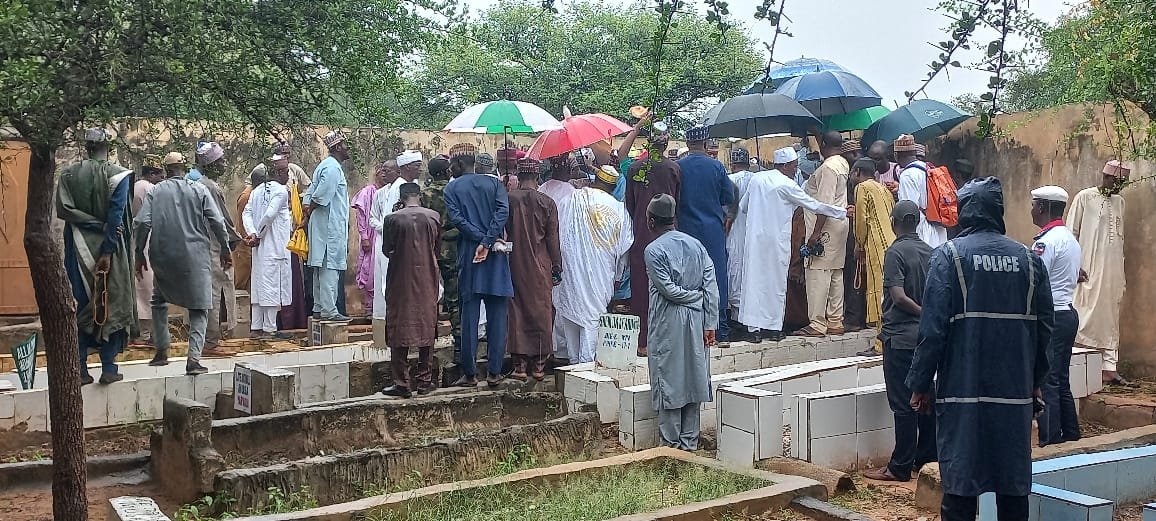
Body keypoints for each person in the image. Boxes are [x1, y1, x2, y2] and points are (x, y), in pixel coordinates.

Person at [906, 177, 1053, 521]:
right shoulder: (1030, 262)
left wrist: (920, 384)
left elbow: (932, 330)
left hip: (962, 394)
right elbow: (1045, 330)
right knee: (1012, 485)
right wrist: (1035, 381)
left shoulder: (949, 257)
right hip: (1013, 395)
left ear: (966, 212)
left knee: (959, 485)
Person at [135, 152, 232, 375]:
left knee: (159, 301)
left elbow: (142, 223)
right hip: (194, 256)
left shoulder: (156, 191)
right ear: (184, 168)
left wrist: (139, 253)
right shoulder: (198, 189)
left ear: (166, 171)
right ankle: (193, 360)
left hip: (163, 255)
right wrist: (225, 249)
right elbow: (217, 221)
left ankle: (161, 350)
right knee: (199, 308)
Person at [737, 147, 846, 341]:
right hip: (777, 241)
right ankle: (773, 329)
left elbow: (743, 207)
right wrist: (842, 212)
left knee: (753, 282)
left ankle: (753, 330)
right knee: (776, 284)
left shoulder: (756, 179)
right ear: (785, 165)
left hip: (755, 240)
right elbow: (813, 204)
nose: (795, 171)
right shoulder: (786, 185)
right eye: (794, 167)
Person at [863, 200, 935, 483]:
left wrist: (923, 313)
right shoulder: (930, 251)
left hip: (900, 338)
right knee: (926, 397)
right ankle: (927, 459)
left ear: (895, 222)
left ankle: (900, 466)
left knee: (903, 404)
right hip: (925, 340)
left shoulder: (895, 252)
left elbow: (899, 297)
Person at [58, 128, 137, 384]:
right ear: (109, 146)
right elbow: (117, 216)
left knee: (80, 304)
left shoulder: (68, 174)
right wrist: (107, 247)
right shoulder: (119, 175)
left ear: (86, 146)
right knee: (111, 302)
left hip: (77, 250)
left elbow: (65, 210)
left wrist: (91, 224)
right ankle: (109, 368)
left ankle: (80, 368)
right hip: (111, 250)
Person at [643, 193, 717, 451]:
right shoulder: (697, 245)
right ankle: (689, 444)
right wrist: (710, 322)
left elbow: (669, 290)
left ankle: (670, 447)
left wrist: (694, 299)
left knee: (670, 380)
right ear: (673, 219)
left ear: (651, 221)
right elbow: (711, 286)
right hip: (697, 322)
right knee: (693, 378)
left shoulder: (653, 250)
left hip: (668, 322)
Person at [444, 143, 513, 388]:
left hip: (470, 257)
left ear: (460, 164)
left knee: (469, 316)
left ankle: (470, 374)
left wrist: (480, 241)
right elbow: (502, 212)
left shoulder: (452, 188)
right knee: (497, 317)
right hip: (495, 256)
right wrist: (490, 240)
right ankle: (494, 372)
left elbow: (458, 221)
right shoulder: (495, 184)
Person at [554, 165, 634, 364]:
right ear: (613, 187)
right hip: (600, 273)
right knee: (592, 318)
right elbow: (624, 248)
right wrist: (618, 276)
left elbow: (558, 232)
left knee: (571, 314)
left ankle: (576, 364)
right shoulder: (619, 209)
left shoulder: (571, 199)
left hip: (571, 269)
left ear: (595, 180)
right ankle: (585, 367)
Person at [1069, 160, 1129, 385]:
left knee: (1110, 318)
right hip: (1088, 270)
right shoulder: (1084, 197)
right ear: (1107, 178)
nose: (1120, 187)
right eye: (1118, 182)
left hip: (1113, 271)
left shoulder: (1120, 202)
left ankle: (1109, 368)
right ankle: (1081, 370)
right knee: (1085, 315)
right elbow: (1071, 233)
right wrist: (1075, 265)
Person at [1030, 185, 1082, 446]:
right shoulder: (1069, 238)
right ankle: (1071, 434)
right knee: (1060, 378)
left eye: (1034, 204)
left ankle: (1049, 441)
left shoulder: (1045, 242)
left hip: (1052, 316)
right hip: (1068, 314)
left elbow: (1035, 279)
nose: (1031, 209)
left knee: (1049, 380)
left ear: (1043, 207)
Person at [379, 183, 441, 398]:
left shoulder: (393, 219)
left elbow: (387, 249)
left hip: (400, 279)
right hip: (427, 277)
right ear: (419, 196)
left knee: (399, 326)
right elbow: (437, 249)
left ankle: (401, 382)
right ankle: (425, 381)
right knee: (426, 324)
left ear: (401, 197)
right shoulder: (433, 217)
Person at [625, 122, 681, 356]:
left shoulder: (634, 168)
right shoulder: (674, 169)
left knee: (640, 291)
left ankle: (643, 342)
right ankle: (666, 341)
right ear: (666, 143)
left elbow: (630, 204)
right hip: (668, 235)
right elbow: (677, 201)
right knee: (669, 288)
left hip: (642, 234)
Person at [675, 125, 734, 344]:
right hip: (712, 232)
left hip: (686, 230)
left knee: (686, 279)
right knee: (716, 279)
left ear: (688, 143)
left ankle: (689, 332)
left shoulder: (678, 167)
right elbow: (727, 197)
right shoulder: (716, 167)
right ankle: (719, 331)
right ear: (706, 141)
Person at [506, 158, 562, 380]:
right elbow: (552, 239)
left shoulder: (508, 199)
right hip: (541, 265)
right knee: (542, 312)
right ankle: (538, 366)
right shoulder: (547, 202)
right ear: (538, 177)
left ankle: (519, 366)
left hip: (513, 263)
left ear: (518, 177)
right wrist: (557, 266)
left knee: (516, 312)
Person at [796, 131, 851, 337]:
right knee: (836, 272)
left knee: (818, 273)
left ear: (824, 144)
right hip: (839, 224)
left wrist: (815, 233)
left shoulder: (828, 168)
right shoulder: (842, 163)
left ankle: (817, 324)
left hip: (825, 226)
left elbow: (824, 205)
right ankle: (835, 321)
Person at [193, 141, 241, 354]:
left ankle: (206, 338)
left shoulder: (198, 184)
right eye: (220, 161)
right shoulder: (210, 187)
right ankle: (211, 342)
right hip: (212, 246)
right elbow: (221, 221)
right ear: (211, 164)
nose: (224, 164)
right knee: (213, 293)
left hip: (199, 245)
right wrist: (229, 245)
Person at [301, 131, 351, 322]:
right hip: (329, 226)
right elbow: (320, 196)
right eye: (345, 145)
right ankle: (329, 310)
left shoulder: (325, 166)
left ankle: (319, 307)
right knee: (329, 266)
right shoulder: (332, 168)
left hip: (323, 225)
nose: (347, 149)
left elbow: (309, 194)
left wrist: (308, 211)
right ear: (337, 147)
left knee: (320, 267)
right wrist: (310, 210)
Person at [242, 160, 293, 340]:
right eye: (286, 171)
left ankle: (256, 327)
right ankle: (269, 329)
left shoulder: (256, 191)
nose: (288, 175)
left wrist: (252, 233)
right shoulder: (280, 191)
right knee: (271, 287)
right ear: (278, 173)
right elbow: (270, 215)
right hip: (274, 247)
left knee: (259, 286)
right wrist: (259, 235)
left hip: (259, 248)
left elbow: (246, 213)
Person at [851, 158, 896, 355]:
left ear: (858, 172)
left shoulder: (862, 188)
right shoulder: (884, 189)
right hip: (894, 244)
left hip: (876, 245)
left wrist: (858, 244)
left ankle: (880, 344)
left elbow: (862, 219)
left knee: (879, 294)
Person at [423, 155, 461, 350]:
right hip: (453, 249)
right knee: (454, 298)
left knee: (428, 296)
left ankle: (427, 343)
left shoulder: (423, 195)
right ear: (448, 171)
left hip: (429, 250)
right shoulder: (455, 191)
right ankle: (459, 345)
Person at [131, 158, 165, 347]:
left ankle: (145, 334)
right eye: (160, 174)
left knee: (141, 287)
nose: (162, 178)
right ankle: (146, 335)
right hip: (148, 240)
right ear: (151, 174)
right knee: (148, 289)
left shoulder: (136, 186)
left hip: (138, 239)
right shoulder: (149, 189)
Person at [275, 155, 310, 331]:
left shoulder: (293, 190)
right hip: (276, 245)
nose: (285, 174)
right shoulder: (272, 192)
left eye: (286, 171)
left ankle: (295, 321)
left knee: (294, 281)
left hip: (291, 241)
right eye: (281, 171)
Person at [894, 135, 947, 248]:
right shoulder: (928, 168)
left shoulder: (907, 175)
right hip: (939, 229)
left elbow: (908, 210)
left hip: (923, 233)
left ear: (896, 155)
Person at [726, 147, 756, 335]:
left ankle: (737, 317)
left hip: (733, 231)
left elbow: (726, 208)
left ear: (733, 163)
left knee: (735, 271)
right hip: (753, 232)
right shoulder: (757, 180)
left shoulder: (729, 180)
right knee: (750, 273)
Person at [352, 162, 389, 316]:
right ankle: (369, 307)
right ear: (377, 173)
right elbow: (361, 216)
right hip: (371, 236)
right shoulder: (367, 192)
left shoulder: (390, 191)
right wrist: (364, 236)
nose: (385, 176)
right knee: (369, 272)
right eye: (383, 172)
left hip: (386, 237)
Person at [842, 140, 868, 334]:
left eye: (858, 153)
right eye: (853, 154)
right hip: (854, 232)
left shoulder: (859, 185)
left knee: (855, 275)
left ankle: (855, 318)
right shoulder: (847, 179)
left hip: (858, 235)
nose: (856, 157)